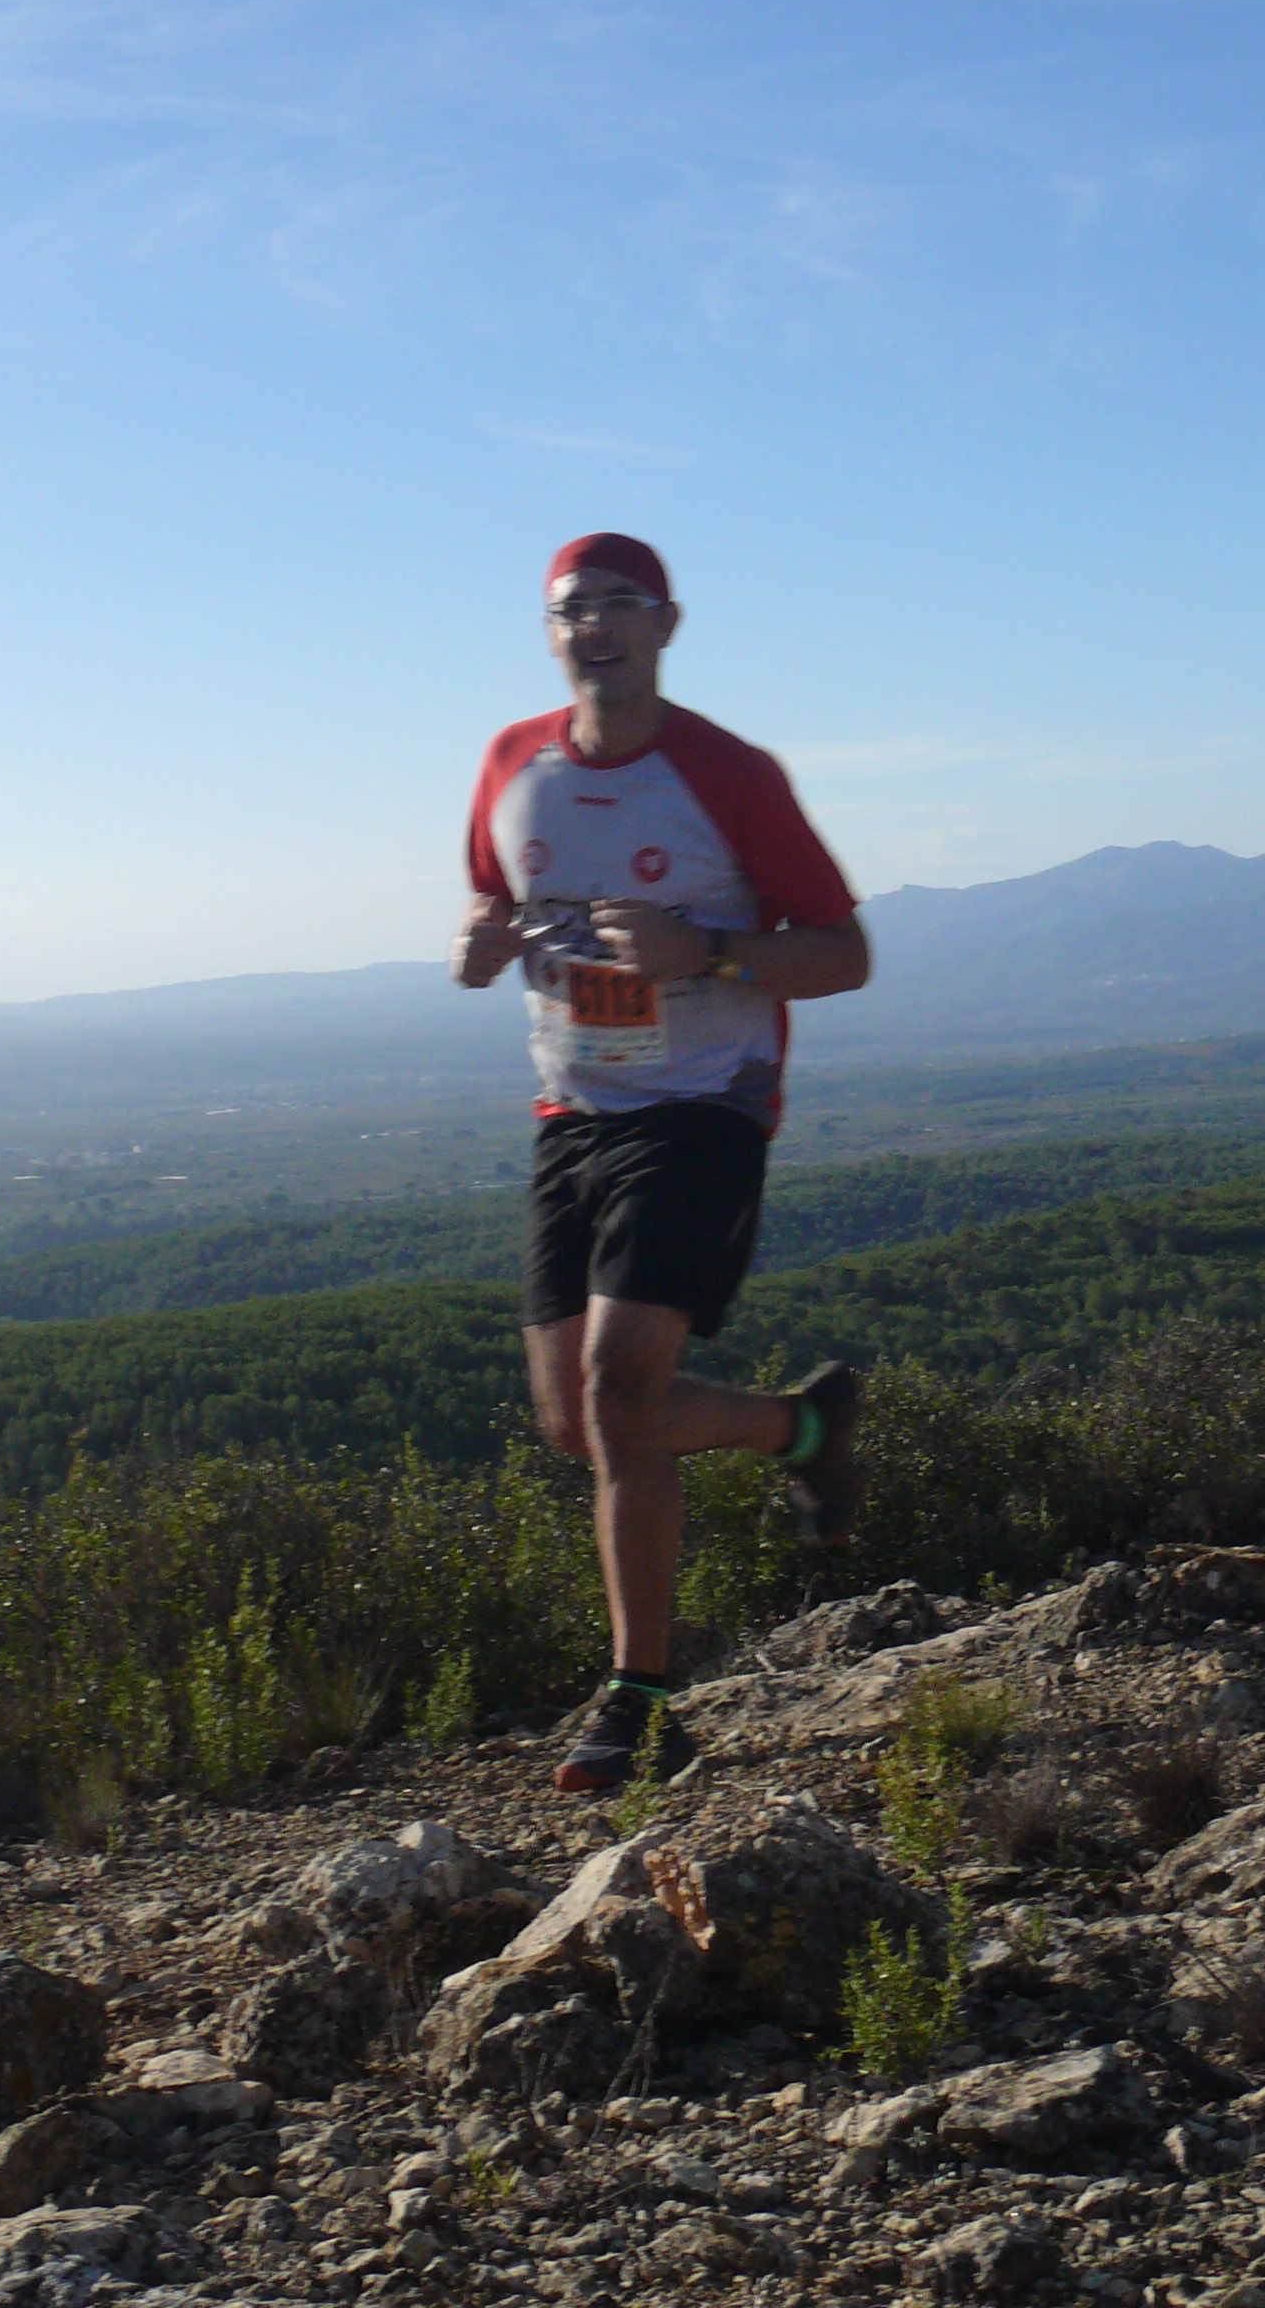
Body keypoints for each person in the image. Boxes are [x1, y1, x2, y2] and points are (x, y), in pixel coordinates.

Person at [452, 532, 874, 1793]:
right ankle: (803, 1426)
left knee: (621, 1382)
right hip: (571, 1109)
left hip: (704, 1103)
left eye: (619, 605)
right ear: (549, 633)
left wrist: (711, 953)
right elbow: (489, 897)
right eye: (571, 609)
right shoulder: (509, 762)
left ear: (666, 624)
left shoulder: (727, 774)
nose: (595, 626)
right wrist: (478, 942)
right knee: (578, 1423)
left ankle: (638, 1698)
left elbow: (843, 952)